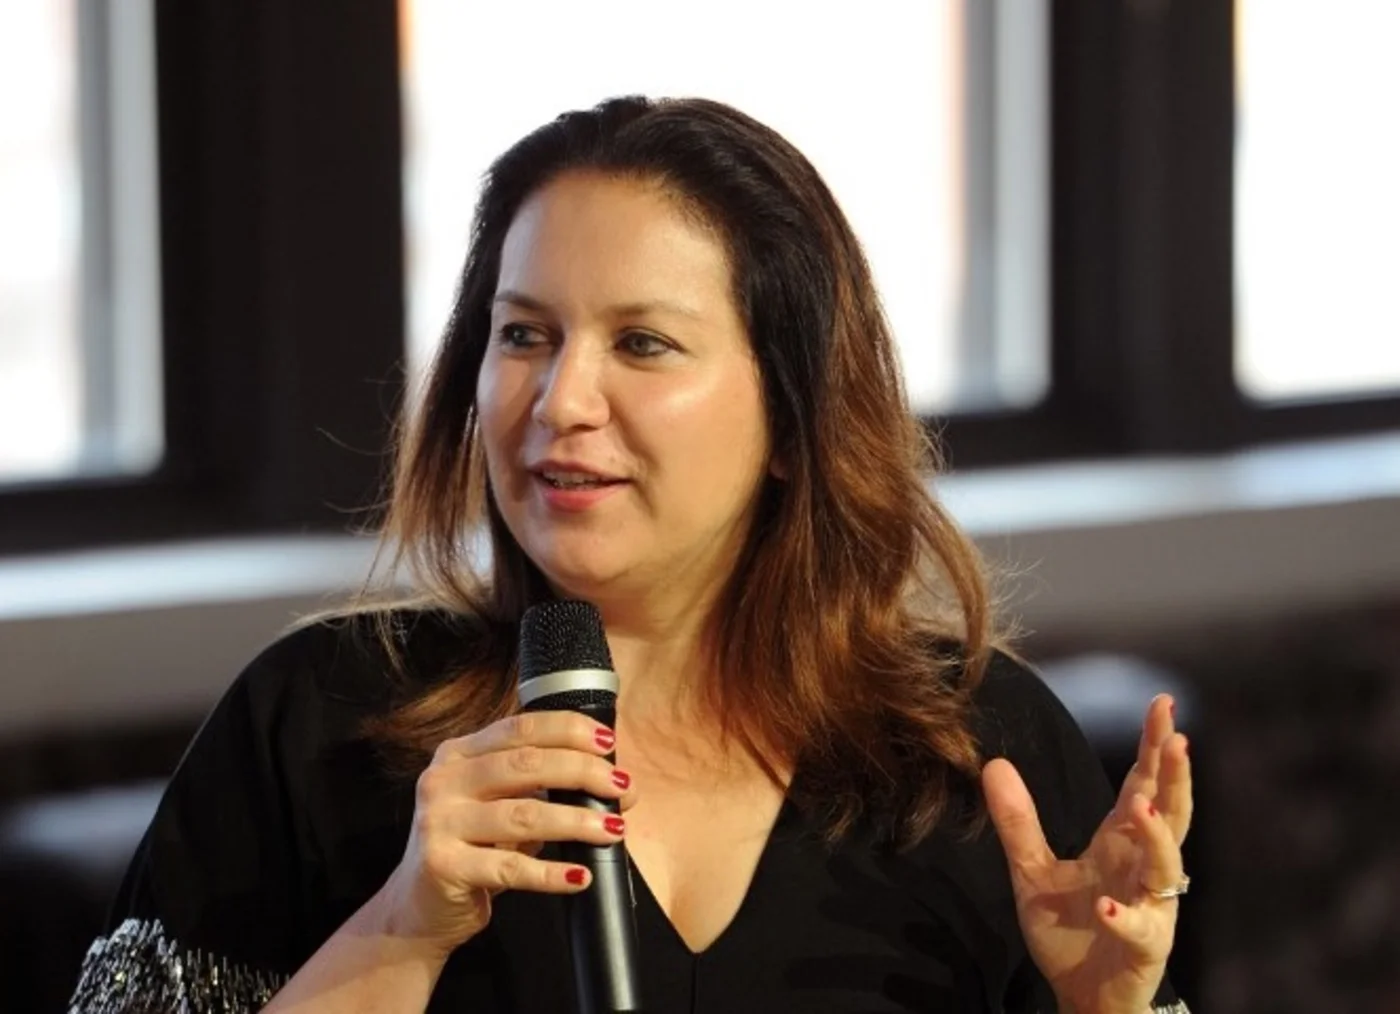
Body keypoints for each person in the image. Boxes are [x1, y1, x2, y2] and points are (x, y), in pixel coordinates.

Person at [68, 96, 1193, 1013]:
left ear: (793, 425)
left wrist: (1106, 1011)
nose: (561, 401)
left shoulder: (974, 749)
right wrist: (399, 930)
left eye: (642, 344)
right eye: (524, 336)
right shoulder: (314, 722)